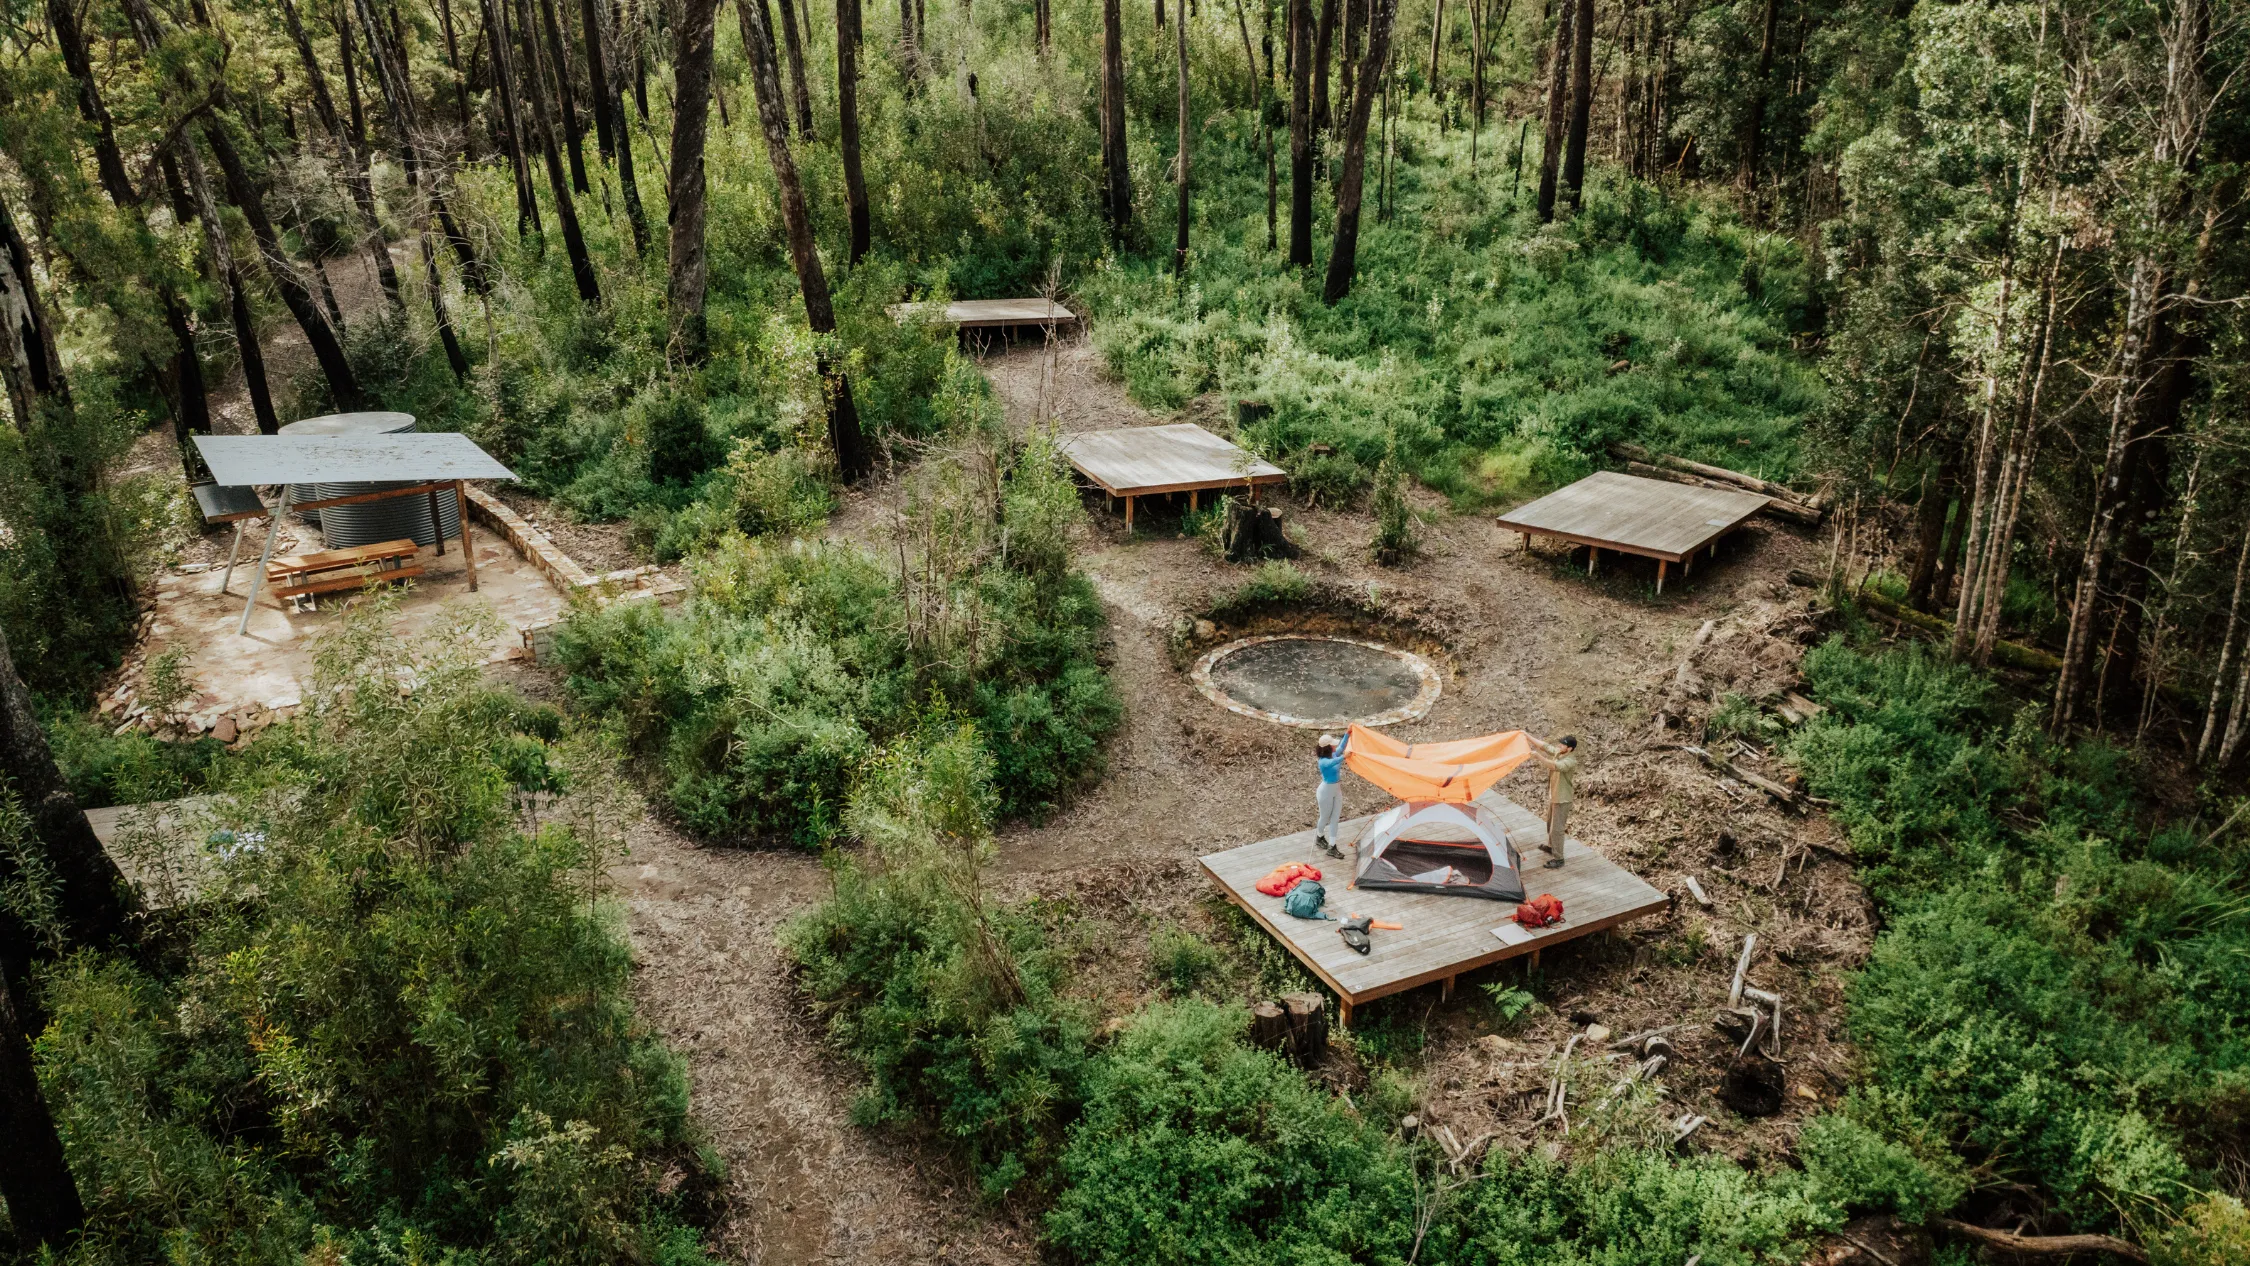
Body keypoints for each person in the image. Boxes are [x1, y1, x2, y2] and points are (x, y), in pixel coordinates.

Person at [1529, 735, 1580, 868]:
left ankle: (1559, 858)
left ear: (1569, 748)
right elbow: (1545, 746)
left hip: (1562, 799)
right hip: (1555, 796)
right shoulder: (1560, 752)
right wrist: (1526, 735)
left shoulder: (1570, 761)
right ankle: (1552, 847)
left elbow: (1555, 766)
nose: (1559, 746)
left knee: (1556, 829)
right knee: (1550, 824)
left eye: (1562, 745)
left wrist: (1538, 757)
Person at [1313, 730, 1351, 857]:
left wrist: (1348, 733)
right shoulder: (1323, 761)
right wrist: (1344, 756)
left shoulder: (1334, 755)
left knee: (1335, 818)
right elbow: (1333, 762)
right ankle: (1319, 836)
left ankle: (1332, 846)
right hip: (1325, 792)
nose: (1335, 746)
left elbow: (1342, 746)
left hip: (1336, 790)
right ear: (1328, 747)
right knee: (1324, 817)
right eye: (1333, 745)